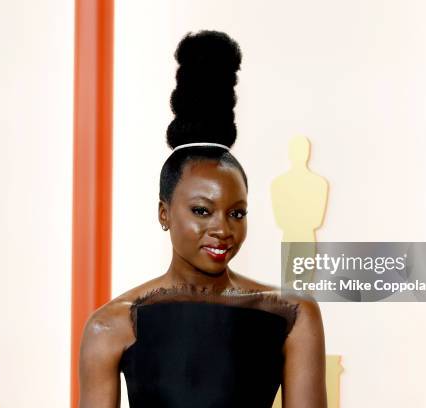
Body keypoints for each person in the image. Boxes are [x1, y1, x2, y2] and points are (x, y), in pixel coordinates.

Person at [79, 30, 327, 408]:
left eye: (237, 213)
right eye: (201, 211)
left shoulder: (292, 314)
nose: (223, 229)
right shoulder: (112, 324)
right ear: (164, 213)